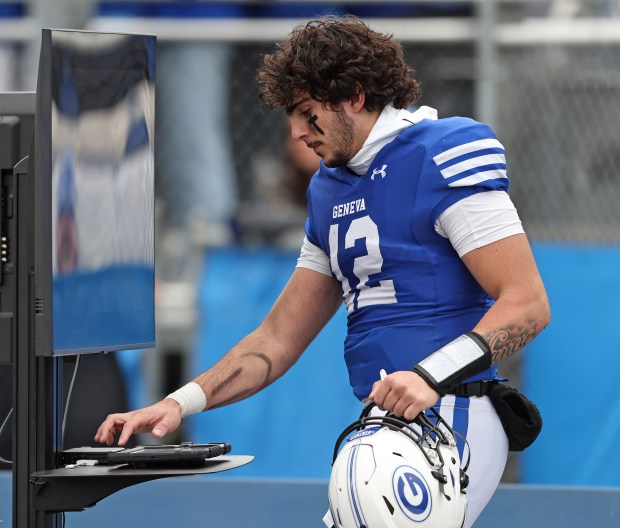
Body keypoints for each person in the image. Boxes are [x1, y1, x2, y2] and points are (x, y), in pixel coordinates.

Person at [95, 16, 551, 527]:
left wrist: (431, 375)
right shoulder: (330, 189)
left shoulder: (441, 154)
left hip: (452, 408)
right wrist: (181, 402)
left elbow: (527, 304)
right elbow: (275, 340)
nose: (296, 133)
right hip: (387, 422)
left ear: (355, 95)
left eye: (308, 114)